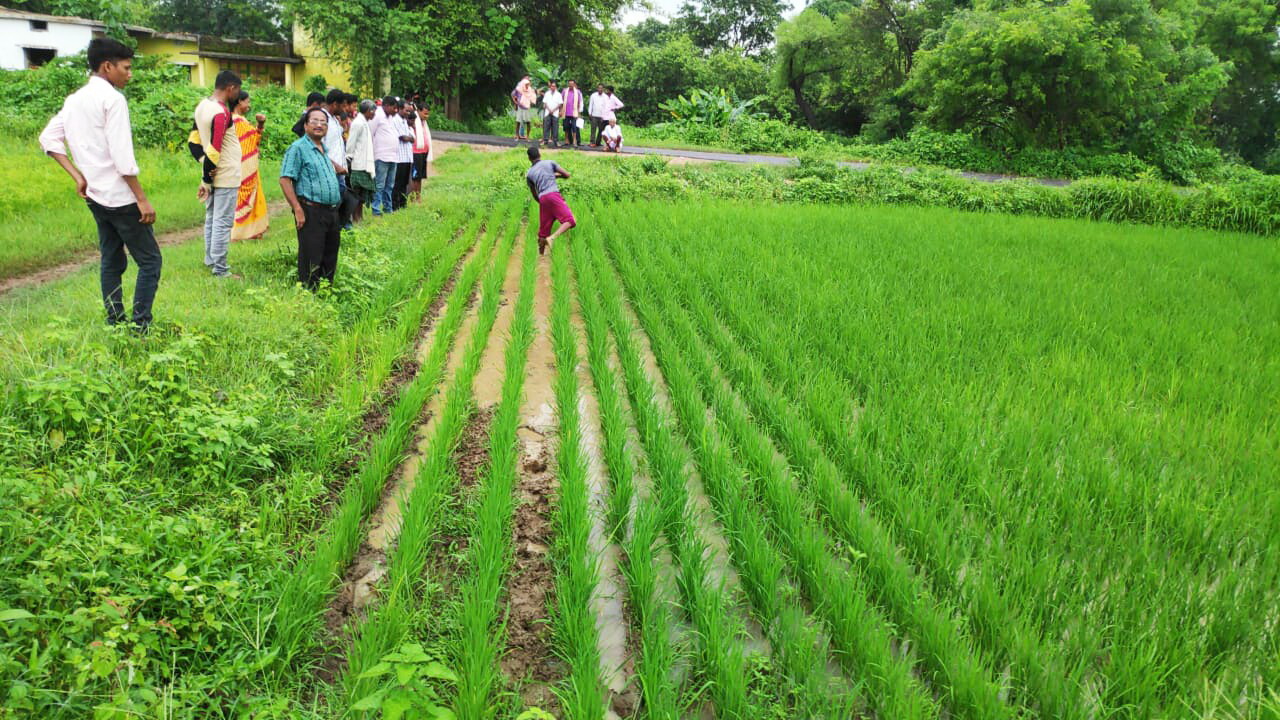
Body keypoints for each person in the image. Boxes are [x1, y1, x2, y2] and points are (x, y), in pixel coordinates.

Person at [39, 38, 161, 332]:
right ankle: (140, 326)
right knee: (150, 262)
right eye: (126, 68)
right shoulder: (113, 100)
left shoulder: (74, 100)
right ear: (107, 66)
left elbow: (48, 138)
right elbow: (123, 158)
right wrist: (141, 198)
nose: (129, 74)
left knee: (111, 259)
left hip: (95, 195)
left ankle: (114, 321)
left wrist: (78, 175)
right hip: (120, 197)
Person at [279, 108, 343, 290]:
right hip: (311, 210)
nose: (319, 125)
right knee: (311, 256)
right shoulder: (298, 148)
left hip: (331, 211)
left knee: (330, 255)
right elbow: (285, 179)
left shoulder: (323, 148)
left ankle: (325, 293)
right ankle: (309, 296)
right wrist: (297, 209)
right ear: (306, 125)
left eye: (323, 122)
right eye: (314, 121)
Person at [194, 70, 242, 278]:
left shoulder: (202, 106)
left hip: (214, 173)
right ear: (230, 88)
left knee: (212, 218)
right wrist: (207, 177)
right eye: (237, 91)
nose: (237, 96)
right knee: (222, 222)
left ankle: (210, 260)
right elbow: (215, 148)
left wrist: (205, 170)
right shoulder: (221, 112)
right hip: (226, 174)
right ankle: (221, 270)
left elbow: (193, 142)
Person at [230, 90, 269, 241]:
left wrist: (260, 125)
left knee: (250, 196)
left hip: (248, 165)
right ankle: (240, 233)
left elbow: (254, 139)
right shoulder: (237, 121)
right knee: (244, 198)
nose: (249, 105)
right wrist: (260, 124)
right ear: (239, 102)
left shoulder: (241, 120)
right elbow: (252, 141)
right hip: (243, 166)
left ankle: (252, 231)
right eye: (247, 102)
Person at [525, 145, 574, 255]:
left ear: (529, 158)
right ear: (540, 154)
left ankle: (541, 255)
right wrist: (557, 176)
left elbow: (534, 194)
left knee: (543, 233)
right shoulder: (549, 163)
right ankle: (552, 238)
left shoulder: (529, 174)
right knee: (570, 220)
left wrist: (542, 203)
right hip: (553, 194)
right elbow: (566, 175)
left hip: (543, 199)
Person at [346, 99, 377, 223]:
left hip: (365, 163)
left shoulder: (364, 122)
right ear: (369, 111)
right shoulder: (358, 123)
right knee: (356, 193)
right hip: (358, 164)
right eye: (373, 111)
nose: (374, 114)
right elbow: (351, 143)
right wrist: (349, 158)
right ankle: (355, 218)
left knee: (362, 195)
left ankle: (360, 217)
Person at [369, 96, 400, 215]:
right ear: (386, 106)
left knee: (390, 185)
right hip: (382, 156)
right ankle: (376, 210)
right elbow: (370, 133)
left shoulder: (390, 117)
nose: (396, 110)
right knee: (380, 185)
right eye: (394, 108)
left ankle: (388, 208)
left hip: (393, 156)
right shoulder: (377, 115)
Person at [392, 101, 415, 210]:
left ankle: (402, 204)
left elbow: (411, 138)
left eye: (409, 111)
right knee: (398, 183)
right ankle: (395, 206)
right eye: (406, 110)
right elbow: (403, 137)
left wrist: (409, 138)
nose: (408, 113)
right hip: (399, 158)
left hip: (407, 157)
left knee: (405, 183)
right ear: (400, 109)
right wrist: (409, 138)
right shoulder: (395, 120)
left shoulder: (404, 121)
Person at [410, 104, 433, 202]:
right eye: (425, 114)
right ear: (419, 111)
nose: (426, 116)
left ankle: (418, 196)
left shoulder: (423, 122)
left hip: (424, 152)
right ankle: (412, 197)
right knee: (415, 177)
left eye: (428, 114)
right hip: (415, 152)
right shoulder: (413, 120)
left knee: (420, 177)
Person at [561, 80, 584, 148]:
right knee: (566, 127)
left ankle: (574, 141)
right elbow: (561, 101)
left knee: (574, 127)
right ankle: (566, 140)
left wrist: (579, 113)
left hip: (574, 113)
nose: (571, 85)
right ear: (568, 84)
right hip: (566, 112)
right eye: (569, 84)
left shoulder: (578, 92)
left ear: (574, 84)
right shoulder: (564, 91)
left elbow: (579, 103)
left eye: (572, 84)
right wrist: (561, 110)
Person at [540, 81, 563, 148]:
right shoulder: (547, 93)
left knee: (555, 127)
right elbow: (545, 103)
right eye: (552, 86)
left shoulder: (559, 94)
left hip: (555, 113)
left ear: (556, 87)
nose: (553, 87)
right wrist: (549, 110)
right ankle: (545, 140)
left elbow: (560, 104)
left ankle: (556, 141)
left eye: (554, 86)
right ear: (550, 87)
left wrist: (554, 110)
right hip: (547, 112)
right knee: (546, 127)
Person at [588, 83, 608, 147]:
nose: (600, 89)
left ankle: (598, 142)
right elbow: (591, 104)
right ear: (597, 88)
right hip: (594, 114)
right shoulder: (593, 95)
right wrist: (589, 113)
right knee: (593, 129)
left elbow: (606, 107)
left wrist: (604, 116)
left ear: (603, 89)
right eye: (599, 88)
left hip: (602, 116)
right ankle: (592, 142)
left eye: (601, 88)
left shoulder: (605, 97)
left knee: (601, 130)